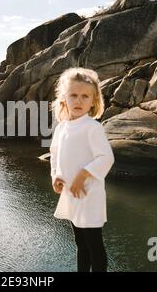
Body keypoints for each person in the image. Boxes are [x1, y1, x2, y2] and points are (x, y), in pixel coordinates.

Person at [50, 67, 115, 272]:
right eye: (74, 95)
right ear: (64, 99)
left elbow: (106, 157)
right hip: (72, 193)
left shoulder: (92, 127)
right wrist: (56, 176)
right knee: (80, 244)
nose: (79, 101)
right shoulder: (62, 128)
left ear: (93, 101)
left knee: (94, 245)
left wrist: (82, 175)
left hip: (89, 193)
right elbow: (55, 154)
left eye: (85, 96)